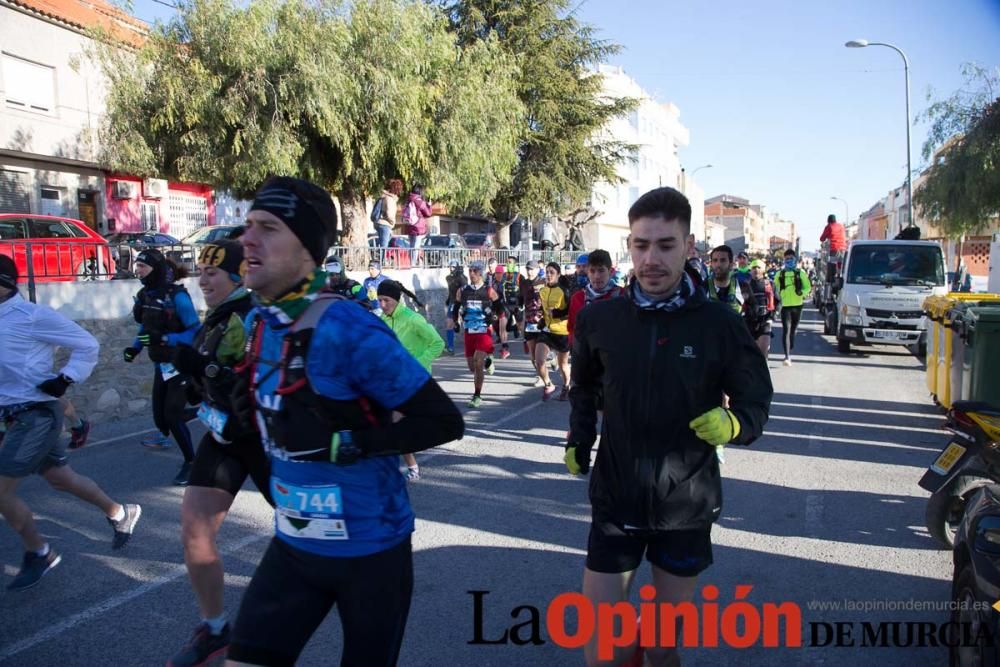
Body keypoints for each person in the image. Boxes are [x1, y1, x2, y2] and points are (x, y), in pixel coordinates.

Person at [225, 176, 463, 666]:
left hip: (371, 552)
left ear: (309, 251)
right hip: (293, 547)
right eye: (248, 225)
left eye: (268, 228)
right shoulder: (264, 323)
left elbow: (442, 421)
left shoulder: (347, 328)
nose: (247, 239)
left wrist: (349, 442)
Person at [565, 187, 772, 667]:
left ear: (689, 246)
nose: (650, 258)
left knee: (660, 648)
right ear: (629, 246)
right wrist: (580, 437)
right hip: (616, 500)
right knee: (603, 651)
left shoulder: (719, 324)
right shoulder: (601, 319)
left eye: (665, 245)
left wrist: (735, 422)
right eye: (640, 245)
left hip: (686, 505)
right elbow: (584, 388)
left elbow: (756, 400)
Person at [0, 255, 141, 591]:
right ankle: (121, 513)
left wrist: (65, 378)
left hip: (35, 413)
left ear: (4, 284)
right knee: (60, 478)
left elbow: (87, 343)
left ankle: (40, 551)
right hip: (11, 414)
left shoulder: (31, 316)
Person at [167, 241, 273, 667]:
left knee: (305, 535)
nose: (203, 279)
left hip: (264, 437)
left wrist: (204, 368)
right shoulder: (216, 316)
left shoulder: (255, 313)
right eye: (201, 272)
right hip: (224, 434)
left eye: (213, 272)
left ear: (237, 274)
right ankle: (214, 628)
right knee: (194, 529)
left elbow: (256, 374)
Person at [125, 248, 201, 485]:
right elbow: (147, 328)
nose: (138, 270)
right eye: (137, 266)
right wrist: (135, 347)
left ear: (155, 269)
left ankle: (192, 463)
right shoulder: (146, 295)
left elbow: (196, 332)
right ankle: (198, 411)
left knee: (172, 415)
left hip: (181, 362)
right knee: (161, 419)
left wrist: (167, 339)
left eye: (143, 266)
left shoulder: (177, 297)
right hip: (162, 364)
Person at [378, 280, 446, 481]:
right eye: (380, 300)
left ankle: (413, 468)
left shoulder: (413, 319)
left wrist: (418, 363)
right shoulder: (382, 319)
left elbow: (437, 343)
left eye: (386, 300)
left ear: (397, 301)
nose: (382, 305)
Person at [448, 260, 499, 408]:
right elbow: (456, 307)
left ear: (481, 272)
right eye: (470, 270)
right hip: (469, 330)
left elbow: (499, 307)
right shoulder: (462, 290)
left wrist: (496, 317)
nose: (472, 273)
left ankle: (477, 395)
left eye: (475, 271)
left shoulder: (489, 290)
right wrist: (455, 322)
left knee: (478, 363)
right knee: (472, 367)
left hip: (484, 329)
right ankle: (489, 355)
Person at [567, 250, 626, 345]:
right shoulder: (578, 298)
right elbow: (572, 329)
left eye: (601, 270)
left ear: (610, 271)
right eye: (592, 271)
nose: (597, 276)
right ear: (588, 272)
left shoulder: (622, 295)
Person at [536, 262, 572, 401]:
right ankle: (549, 384)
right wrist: (541, 318)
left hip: (562, 332)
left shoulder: (564, 291)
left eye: (552, 272)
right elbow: (544, 310)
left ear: (558, 274)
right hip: (547, 331)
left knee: (563, 364)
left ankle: (566, 385)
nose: (549, 275)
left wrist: (556, 313)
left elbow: (570, 311)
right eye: (547, 272)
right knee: (539, 361)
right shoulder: (543, 291)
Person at [776, 249, 812, 366]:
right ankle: (787, 357)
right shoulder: (779, 274)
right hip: (785, 306)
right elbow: (774, 288)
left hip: (798, 305)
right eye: (786, 259)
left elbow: (808, 287)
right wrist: (777, 298)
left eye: (791, 259)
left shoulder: (800, 273)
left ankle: (790, 343)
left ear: (795, 260)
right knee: (786, 330)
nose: (789, 261)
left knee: (793, 330)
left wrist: (801, 293)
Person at [518, 260, 547, 387]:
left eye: (532, 269)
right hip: (529, 322)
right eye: (528, 269)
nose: (529, 272)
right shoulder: (523, 283)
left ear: (537, 270)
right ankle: (539, 375)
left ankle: (543, 374)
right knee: (532, 353)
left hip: (542, 321)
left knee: (541, 353)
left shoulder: (544, 282)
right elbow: (520, 298)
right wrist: (518, 310)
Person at [744, 259, 777, 357]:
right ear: (750, 270)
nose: (756, 270)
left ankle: (763, 368)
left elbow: (779, 302)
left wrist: (773, 317)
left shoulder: (770, 284)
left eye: (759, 267)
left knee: (763, 352)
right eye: (753, 267)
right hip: (749, 321)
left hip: (765, 320)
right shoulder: (745, 285)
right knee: (750, 355)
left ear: (763, 270)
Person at [707, 245, 746, 314]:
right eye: (715, 260)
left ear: (731, 264)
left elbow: (752, 310)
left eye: (723, 260)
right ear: (711, 264)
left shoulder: (743, 286)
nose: (718, 264)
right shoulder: (702, 289)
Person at [496, 258, 522, 359]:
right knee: (502, 326)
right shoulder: (503, 276)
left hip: (516, 305)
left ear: (515, 264)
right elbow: (498, 289)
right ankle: (505, 349)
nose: (508, 264)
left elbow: (524, 289)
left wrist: (522, 302)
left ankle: (516, 329)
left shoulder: (519, 276)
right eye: (507, 262)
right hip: (505, 305)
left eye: (510, 262)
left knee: (521, 327)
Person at [403, 184, 433, 261]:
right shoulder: (419, 201)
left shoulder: (408, 200)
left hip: (409, 225)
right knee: (416, 246)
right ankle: (413, 264)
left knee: (411, 245)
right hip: (418, 226)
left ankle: (410, 263)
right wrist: (429, 205)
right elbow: (428, 213)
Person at [444, 260, 467, 355]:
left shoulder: (462, 278)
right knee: (449, 323)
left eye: (453, 267)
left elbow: (465, 290)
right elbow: (451, 290)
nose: (451, 269)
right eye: (450, 267)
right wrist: (448, 299)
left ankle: (470, 344)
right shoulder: (448, 278)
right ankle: (450, 347)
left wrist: (463, 305)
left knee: (466, 323)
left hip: (461, 302)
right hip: (452, 302)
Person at [374, 179, 403, 248]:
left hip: (379, 222)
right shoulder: (389, 198)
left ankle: (380, 257)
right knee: (384, 246)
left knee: (382, 244)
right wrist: (393, 221)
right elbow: (389, 213)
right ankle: (382, 259)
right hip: (385, 224)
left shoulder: (383, 197)